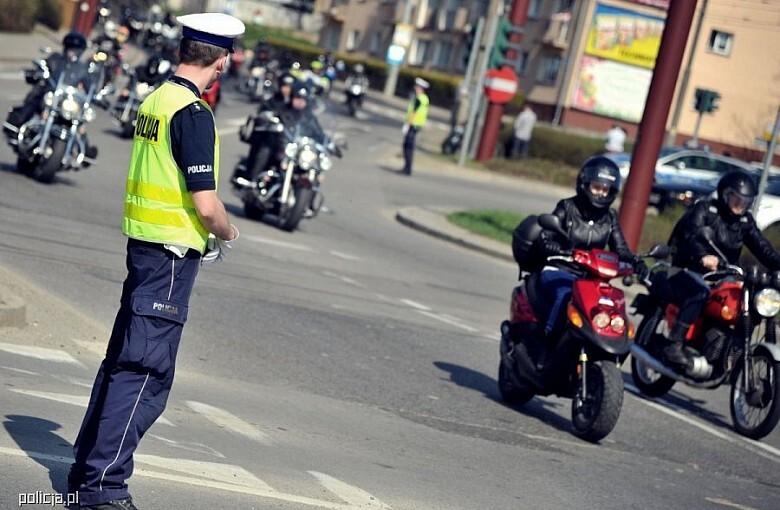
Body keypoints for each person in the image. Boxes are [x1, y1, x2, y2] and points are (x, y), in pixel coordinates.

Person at [67, 12, 244, 510]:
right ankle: (103, 488)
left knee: (121, 362)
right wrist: (227, 232)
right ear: (222, 60)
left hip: (144, 248)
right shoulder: (191, 112)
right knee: (144, 371)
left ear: (184, 50)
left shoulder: (156, 99)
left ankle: (86, 475)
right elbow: (206, 204)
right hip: (168, 257)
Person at [663, 170, 780, 372]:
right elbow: (692, 236)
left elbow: (763, 247)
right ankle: (675, 344)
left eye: (745, 200)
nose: (740, 204)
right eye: (736, 198)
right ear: (725, 194)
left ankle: (732, 355)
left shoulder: (745, 222)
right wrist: (702, 256)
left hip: (723, 277)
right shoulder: (705, 210)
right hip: (687, 269)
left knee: (748, 303)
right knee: (700, 292)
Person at [537, 155, 647, 337]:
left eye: (606, 190)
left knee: (613, 305)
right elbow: (545, 236)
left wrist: (636, 263)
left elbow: (620, 250)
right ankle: (547, 341)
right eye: (597, 188)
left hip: (591, 279)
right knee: (565, 294)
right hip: (560, 269)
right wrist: (556, 248)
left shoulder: (610, 217)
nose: (601, 194)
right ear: (584, 184)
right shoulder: (567, 207)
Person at [4, 31, 93, 141]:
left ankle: (84, 151)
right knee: (34, 101)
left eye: (76, 49)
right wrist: (36, 73)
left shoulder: (82, 68)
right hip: (50, 93)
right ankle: (16, 127)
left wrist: (96, 95)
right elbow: (42, 68)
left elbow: (90, 86)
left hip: (65, 100)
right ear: (65, 47)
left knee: (80, 122)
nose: (73, 52)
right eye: (71, 48)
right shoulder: (55, 58)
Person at [401, 77, 430, 175]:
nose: (415, 88)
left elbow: (413, 112)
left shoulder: (419, 99)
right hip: (418, 125)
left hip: (413, 125)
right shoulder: (424, 98)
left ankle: (407, 168)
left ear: (421, 89)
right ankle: (407, 167)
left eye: (417, 87)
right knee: (408, 146)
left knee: (408, 146)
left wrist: (407, 125)